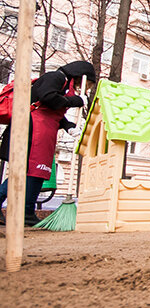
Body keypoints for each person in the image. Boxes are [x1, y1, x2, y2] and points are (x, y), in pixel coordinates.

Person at [0, 61, 95, 226]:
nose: (82, 87)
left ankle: (27, 212)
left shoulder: (63, 85)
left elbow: (53, 111)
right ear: (78, 76)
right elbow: (47, 97)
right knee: (22, 171)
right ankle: (22, 210)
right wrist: (75, 101)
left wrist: (69, 127)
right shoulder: (55, 77)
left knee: (36, 173)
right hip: (29, 130)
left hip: (41, 132)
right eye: (83, 83)